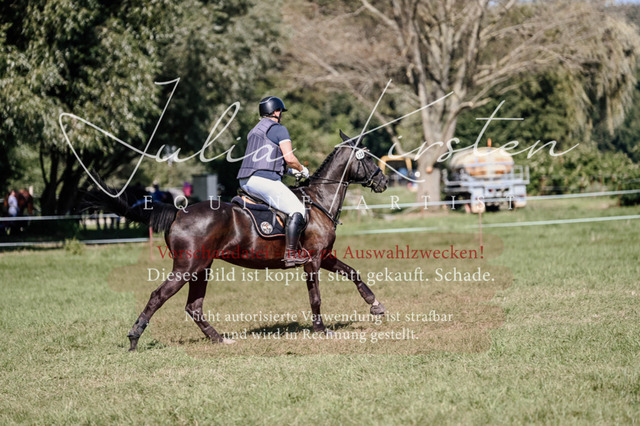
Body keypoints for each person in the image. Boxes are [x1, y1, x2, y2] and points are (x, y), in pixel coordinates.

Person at [237, 96, 310, 267]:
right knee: (298, 210)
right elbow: (289, 158)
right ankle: (291, 254)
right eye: (280, 111)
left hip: (245, 181)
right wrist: (302, 169)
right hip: (263, 181)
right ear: (276, 111)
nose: (281, 114)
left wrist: (289, 172)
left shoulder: (253, 132)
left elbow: (265, 162)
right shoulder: (279, 129)